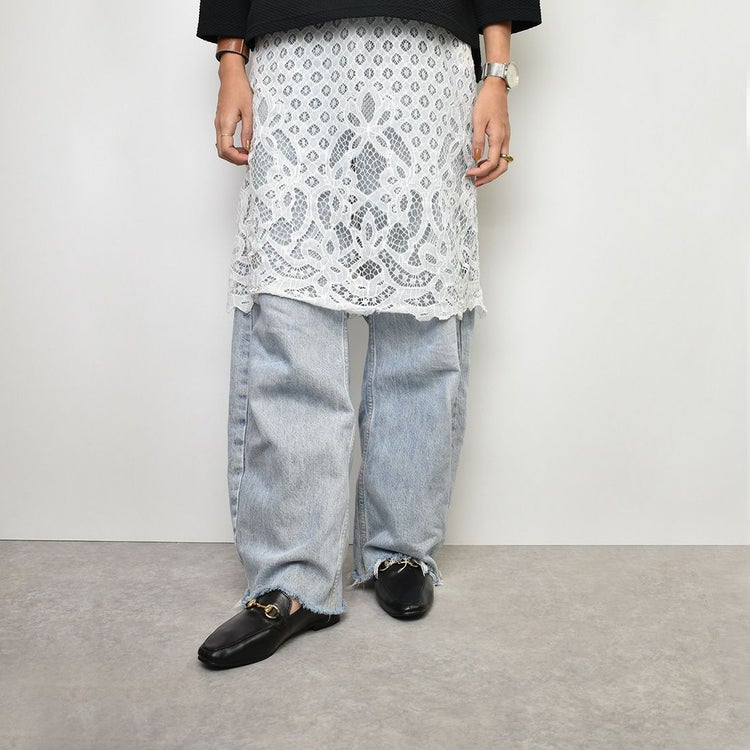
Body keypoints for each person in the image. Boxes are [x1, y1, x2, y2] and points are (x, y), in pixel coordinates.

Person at [194, 1, 542, 670]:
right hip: (294, 55)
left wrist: (497, 72)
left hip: (427, 54)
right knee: (290, 310)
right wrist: (230, 59)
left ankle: (401, 548)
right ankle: (291, 580)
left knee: (423, 315)